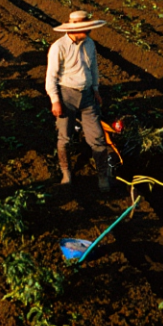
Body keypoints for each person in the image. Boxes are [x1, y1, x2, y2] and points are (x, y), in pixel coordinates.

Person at [45, 10, 110, 192]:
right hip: (67, 96)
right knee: (64, 137)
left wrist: (96, 89)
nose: (89, 32)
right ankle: (66, 173)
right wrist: (55, 100)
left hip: (88, 95)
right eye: (86, 29)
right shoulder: (59, 47)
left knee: (97, 137)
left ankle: (103, 176)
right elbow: (51, 77)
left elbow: (93, 67)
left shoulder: (89, 44)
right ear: (75, 29)